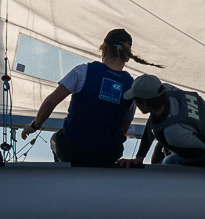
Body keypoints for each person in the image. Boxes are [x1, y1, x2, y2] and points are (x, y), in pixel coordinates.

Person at [19, 29, 158, 166]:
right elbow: (125, 125)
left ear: (104, 50)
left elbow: (51, 102)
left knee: (55, 139)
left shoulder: (83, 71)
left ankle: (64, 177)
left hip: (73, 149)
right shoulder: (132, 87)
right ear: (127, 57)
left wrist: (34, 126)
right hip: (107, 155)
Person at [118, 74, 205, 176]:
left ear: (144, 103)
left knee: (167, 162)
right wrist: (140, 157)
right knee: (160, 152)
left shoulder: (173, 134)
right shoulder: (167, 89)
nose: (135, 104)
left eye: (136, 101)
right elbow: (152, 122)